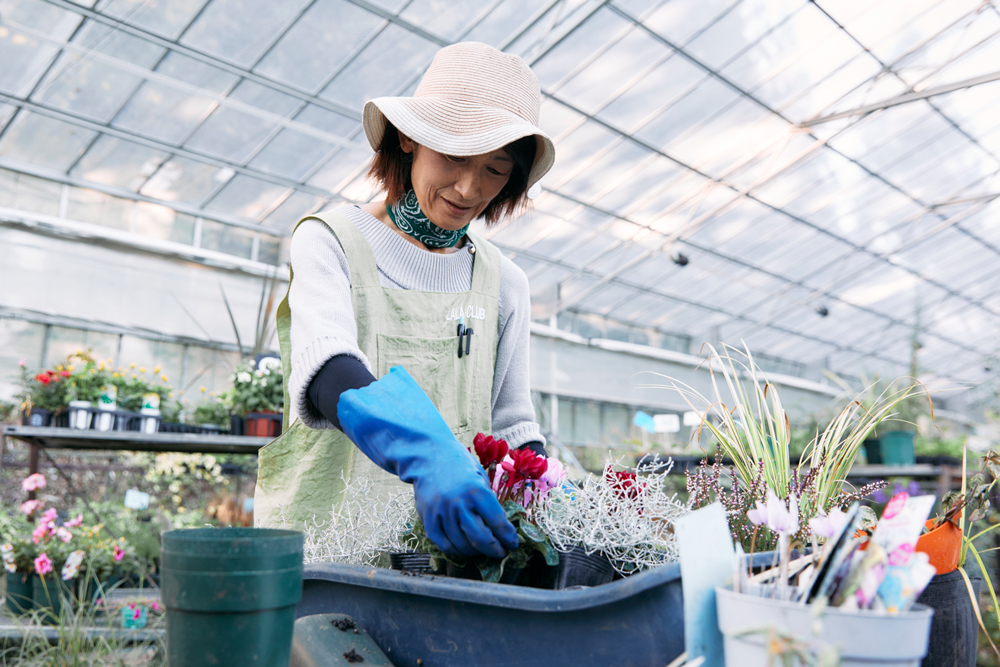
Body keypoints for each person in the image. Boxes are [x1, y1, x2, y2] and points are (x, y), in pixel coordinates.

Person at [254, 42, 556, 560]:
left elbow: (512, 424)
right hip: (326, 553)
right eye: (456, 155)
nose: (468, 188)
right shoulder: (331, 240)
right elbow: (328, 369)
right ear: (409, 138)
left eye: (495, 168)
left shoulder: (504, 283)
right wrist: (428, 453)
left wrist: (550, 496)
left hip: (447, 557)